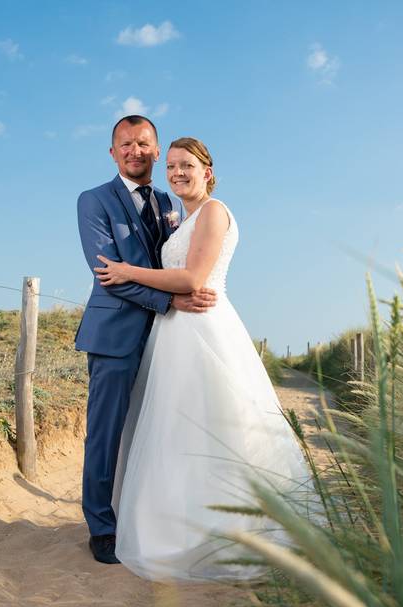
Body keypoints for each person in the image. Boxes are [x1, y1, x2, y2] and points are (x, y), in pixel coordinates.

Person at [94, 137, 315, 581]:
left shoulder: (214, 212)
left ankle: (226, 528)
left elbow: (194, 277)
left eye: (187, 165)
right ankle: (182, 520)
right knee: (178, 429)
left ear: (207, 171)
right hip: (175, 331)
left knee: (215, 425)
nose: (177, 172)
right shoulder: (183, 221)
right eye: (172, 166)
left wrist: (127, 270)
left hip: (206, 329)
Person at [75, 116, 218, 565]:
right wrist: (171, 302)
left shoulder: (168, 200)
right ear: (113, 152)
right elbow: (108, 274)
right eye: (125, 144)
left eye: (143, 143)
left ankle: (147, 515)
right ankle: (101, 525)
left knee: (155, 430)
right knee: (106, 433)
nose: (134, 151)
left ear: (156, 151)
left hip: (166, 340)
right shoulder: (93, 201)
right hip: (115, 334)